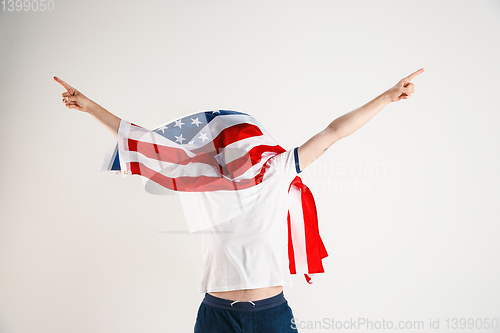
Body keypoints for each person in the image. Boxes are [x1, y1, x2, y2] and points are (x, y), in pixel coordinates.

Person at [54, 68, 424, 332]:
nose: (239, 151)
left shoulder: (278, 170)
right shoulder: (197, 178)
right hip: (217, 317)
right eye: (229, 143)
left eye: (244, 142)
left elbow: (333, 132)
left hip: (272, 316)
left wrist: (388, 96)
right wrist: (89, 107)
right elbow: (141, 142)